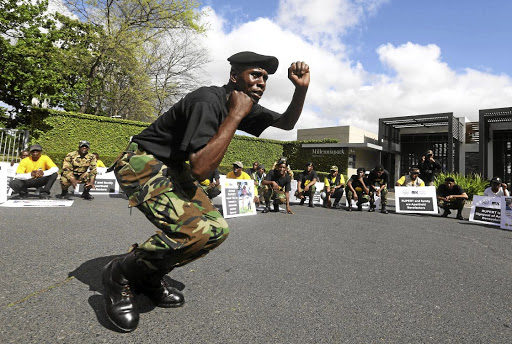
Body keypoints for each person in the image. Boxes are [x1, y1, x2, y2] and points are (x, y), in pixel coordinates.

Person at [103, 51, 310, 332]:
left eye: (265, 77)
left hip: (172, 168)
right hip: (142, 163)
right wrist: (236, 115)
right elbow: (200, 169)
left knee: (217, 229)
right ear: (234, 76)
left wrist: (301, 90)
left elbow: (286, 123)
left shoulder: (244, 104)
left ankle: (149, 274)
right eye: (255, 74)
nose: (261, 82)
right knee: (192, 232)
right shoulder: (207, 101)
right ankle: (121, 274)